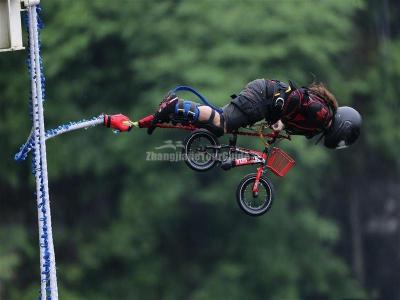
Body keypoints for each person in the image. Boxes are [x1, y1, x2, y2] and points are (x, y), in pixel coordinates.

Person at [148, 79, 361, 149]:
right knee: (222, 121)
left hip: (263, 96)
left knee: (216, 128)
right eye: (344, 139)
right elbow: (295, 98)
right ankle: (175, 106)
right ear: (344, 127)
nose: (340, 143)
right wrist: (280, 120)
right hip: (263, 96)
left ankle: (174, 113)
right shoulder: (322, 114)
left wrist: (282, 124)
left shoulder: (318, 124)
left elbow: (294, 109)